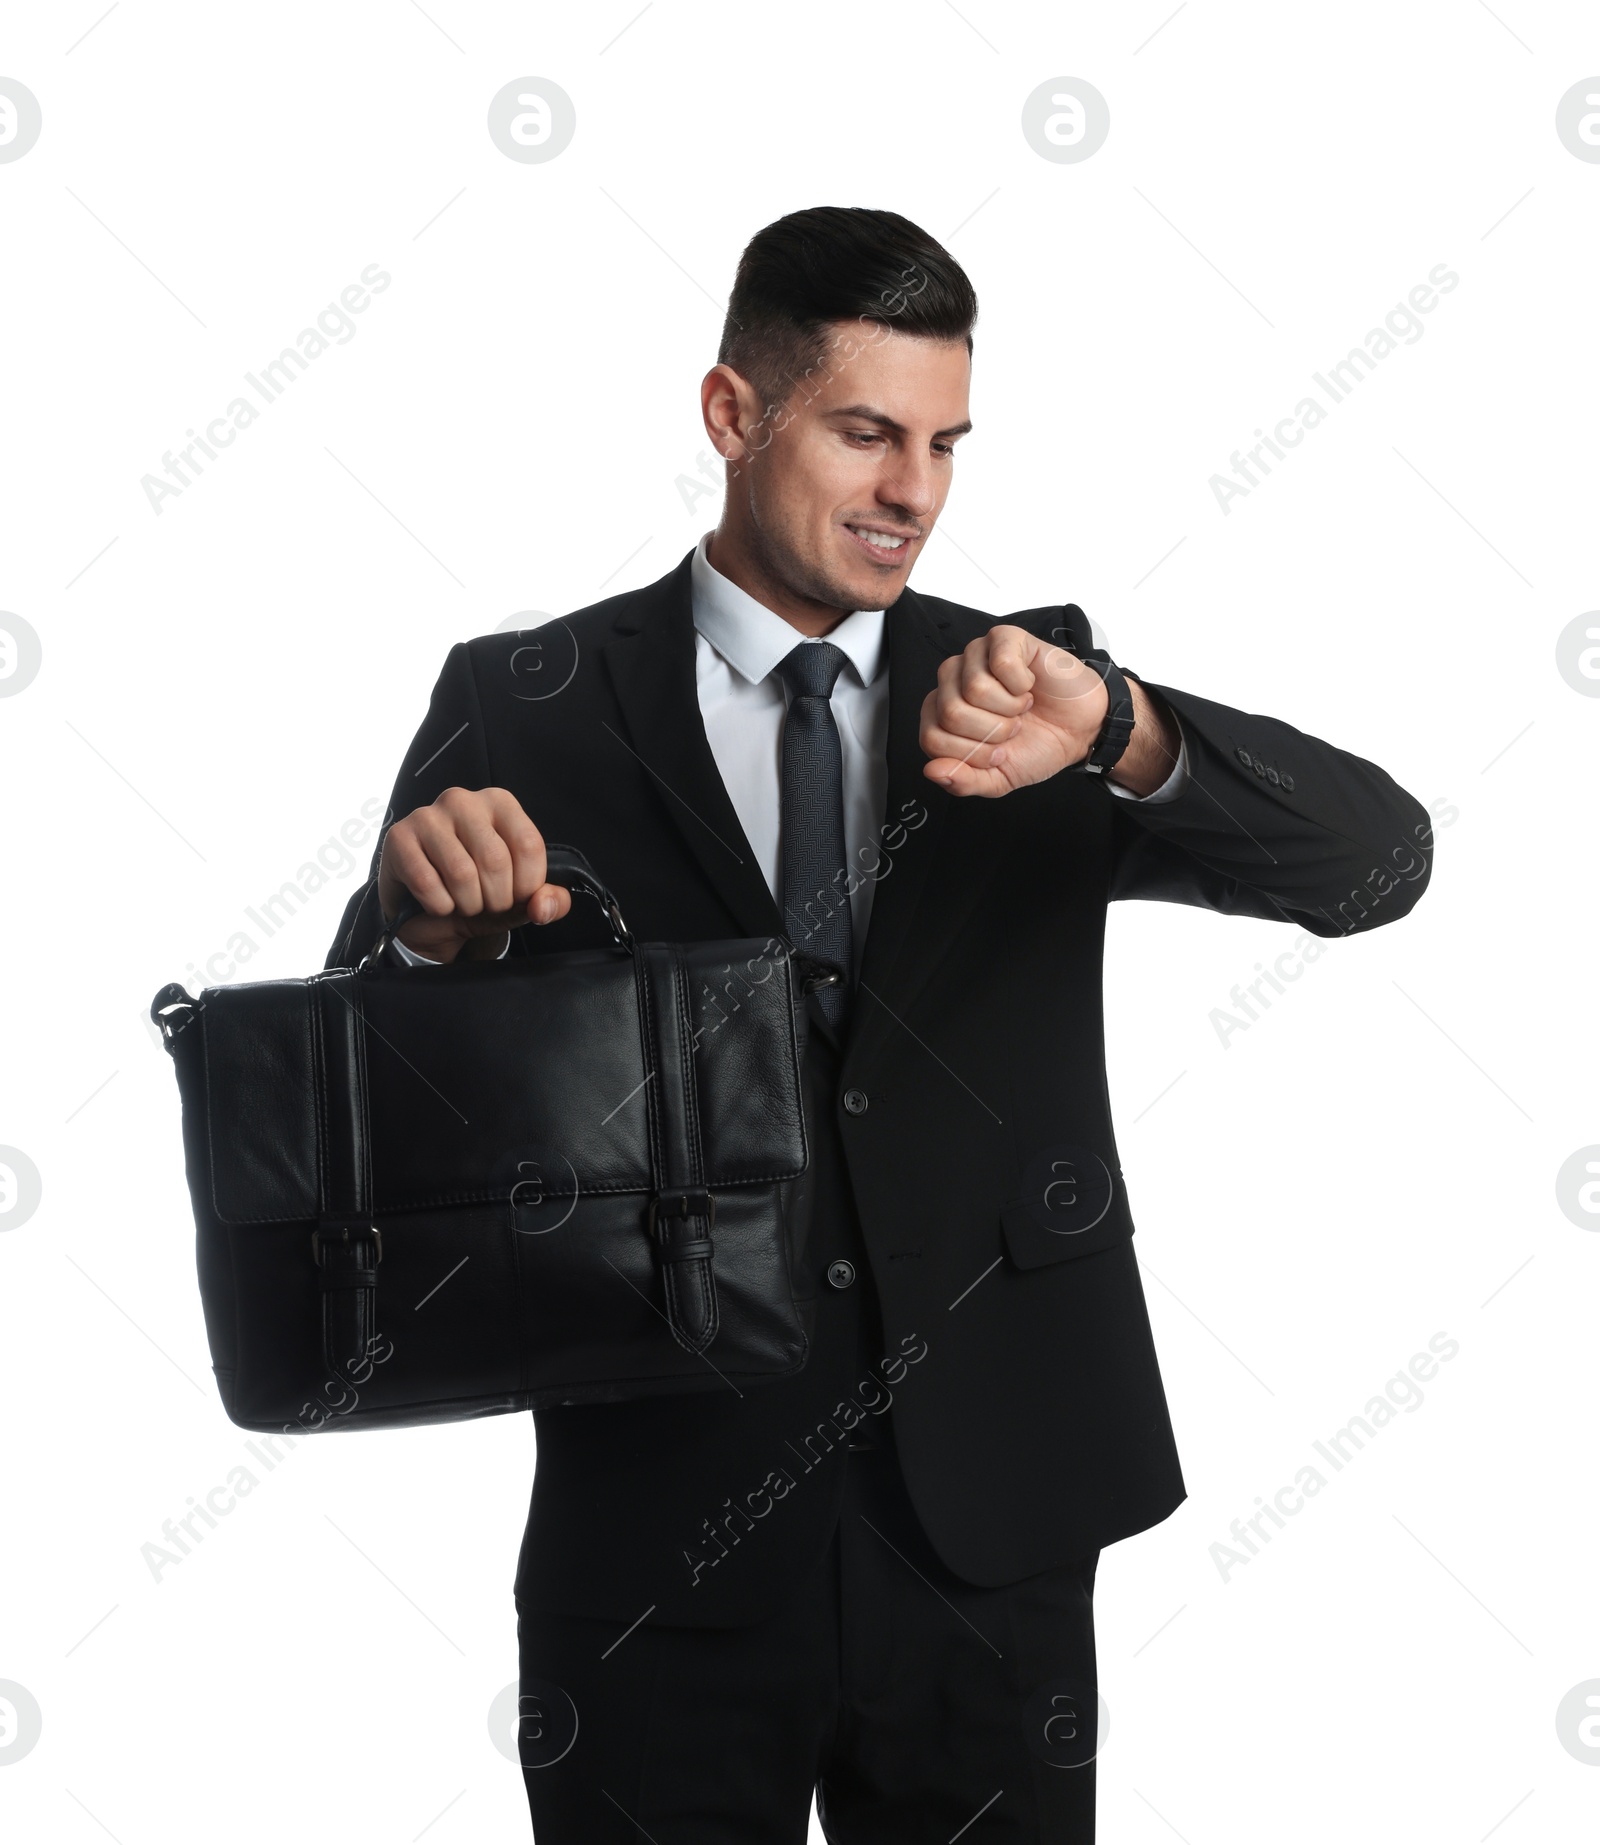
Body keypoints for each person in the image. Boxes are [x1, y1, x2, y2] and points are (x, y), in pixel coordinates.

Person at [327, 205, 1433, 1842]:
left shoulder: (1027, 696)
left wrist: (1129, 732)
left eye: (945, 442)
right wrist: (421, 940)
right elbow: (360, 1095)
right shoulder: (527, 699)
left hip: (993, 1528)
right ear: (731, 414)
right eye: (865, 432)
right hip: (659, 1541)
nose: (913, 489)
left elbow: (1378, 863)